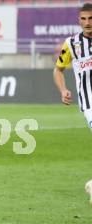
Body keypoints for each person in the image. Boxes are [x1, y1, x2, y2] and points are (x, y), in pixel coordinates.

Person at [53, 3, 92, 131]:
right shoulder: (71, 43)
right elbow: (58, 70)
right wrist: (63, 90)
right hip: (88, 102)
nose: (87, 23)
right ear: (79, 20)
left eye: (91, 18)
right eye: (83, 18)